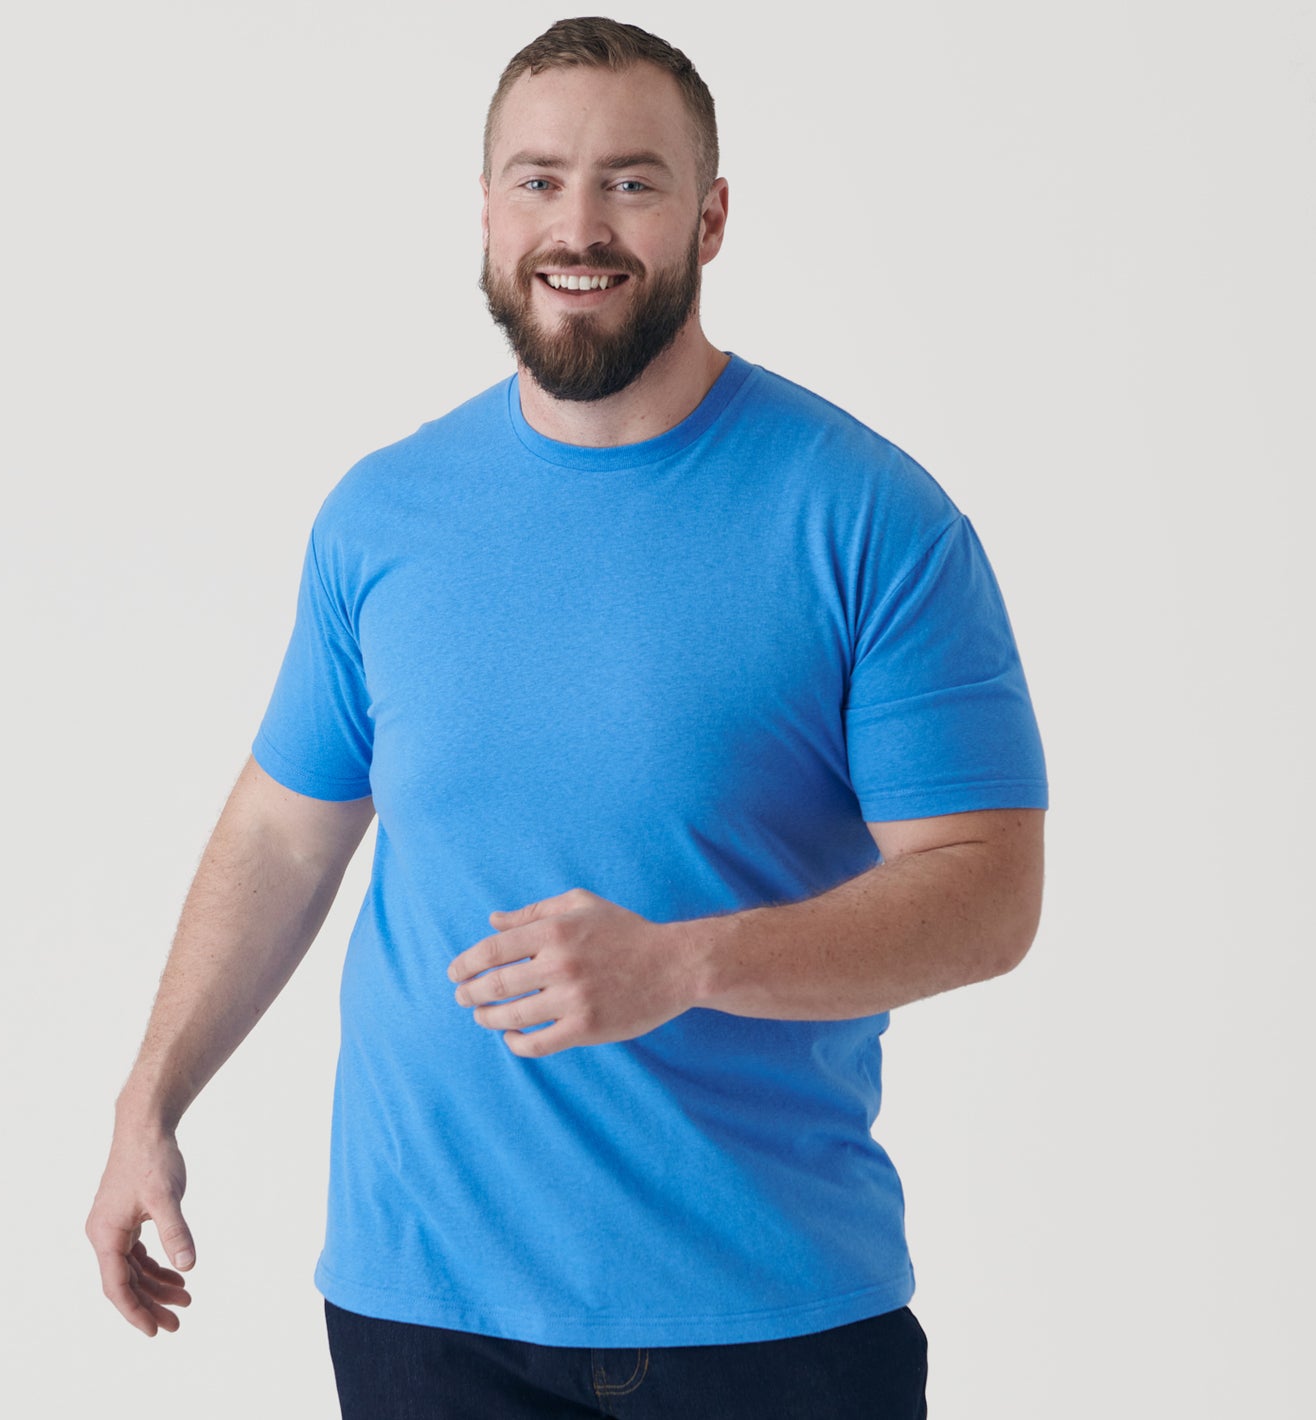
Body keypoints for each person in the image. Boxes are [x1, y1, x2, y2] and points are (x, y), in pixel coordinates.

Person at [86, 16, 1047, 1418]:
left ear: (710, 218)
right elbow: (287, 835)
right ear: (484, 210)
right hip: (426, 1317)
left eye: (631, 183)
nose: (577, 225)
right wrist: (146, 1104)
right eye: (537, 180)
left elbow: (988, 895)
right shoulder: (383, 518)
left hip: (770, 1322)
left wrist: (686, 964)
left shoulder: (870, 521)